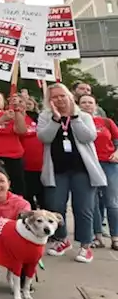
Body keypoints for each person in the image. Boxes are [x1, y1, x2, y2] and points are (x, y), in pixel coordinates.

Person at [39, 83, 106, 263]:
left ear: (69, 96)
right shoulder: (45, 116)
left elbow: (88, 137)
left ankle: (85, 245)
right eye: (54, 97)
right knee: (55, 207)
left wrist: (74, 118)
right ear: (49, 100)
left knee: (83, 208)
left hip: (82, 170)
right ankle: (61, 239)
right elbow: (44, 137)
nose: (59, 100)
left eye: (62, 96)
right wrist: (55, 119)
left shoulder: (83, 115)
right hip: (57, 170)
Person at [82, 94, 118, 250]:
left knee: (112, 202)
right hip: (88, 165)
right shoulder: (78, 122)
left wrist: (117, 152)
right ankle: (97, 236)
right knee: (93, 203)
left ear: (95, 105)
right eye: (83, 102)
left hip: (108, 164)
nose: (87, 105)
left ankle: (115, 237)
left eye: (90, 102)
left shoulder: (105, 122)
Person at [19, 95, 46, 210]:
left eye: (29, 102)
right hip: (25, 165)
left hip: (42, 165)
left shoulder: (40, 118)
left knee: (45, 199)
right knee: (28, 197)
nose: (26, 105)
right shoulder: (16, 119)